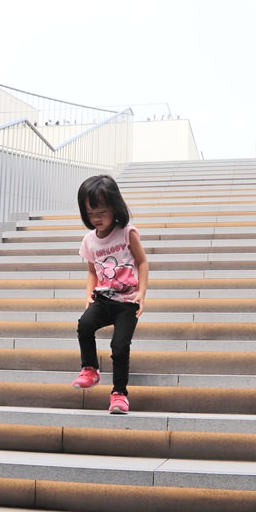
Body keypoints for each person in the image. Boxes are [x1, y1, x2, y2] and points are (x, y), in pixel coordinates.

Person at [72, 175, 148, 414]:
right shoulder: (89, 241)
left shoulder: (127, 233)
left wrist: (142, 294)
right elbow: (92, 272)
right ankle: (90, 370)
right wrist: (88, 295)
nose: (97, 218)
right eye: (91, 213)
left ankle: (119, 394)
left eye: (102, 212)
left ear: (115, 207)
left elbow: (143, 262)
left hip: (127, 302)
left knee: (119, 346)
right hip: (103, 299)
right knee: (84, 324)